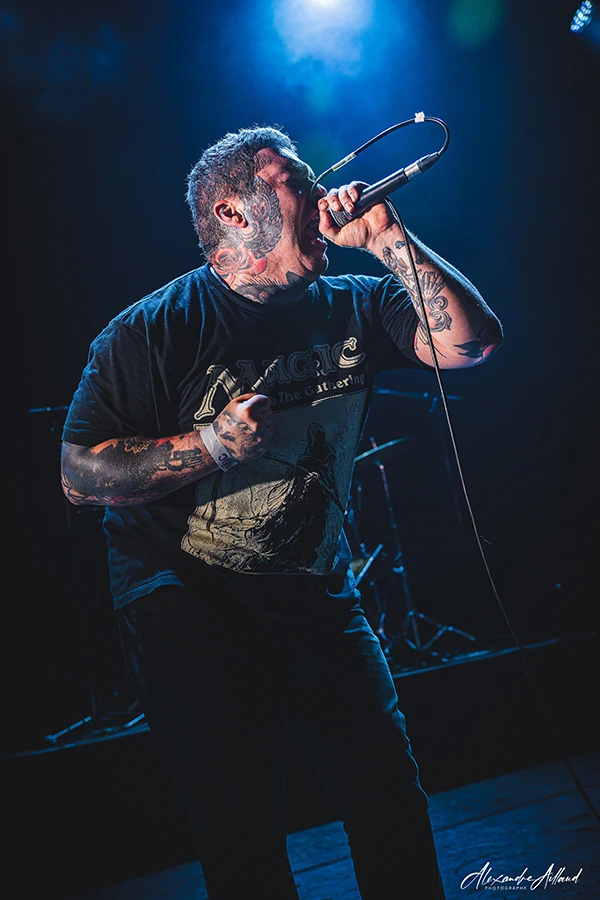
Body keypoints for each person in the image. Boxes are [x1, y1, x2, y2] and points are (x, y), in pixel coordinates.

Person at [60, 125, 503, 900]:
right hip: (185, 600)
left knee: (388, 803)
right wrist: (210, 446)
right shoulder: (151, 331)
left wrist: (390, 242)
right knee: (242, 835)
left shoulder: (353, 305)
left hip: (314, 596)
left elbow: (471, 346)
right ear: (232, 212)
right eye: (297, 180)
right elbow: (77, 476)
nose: (323, 191)